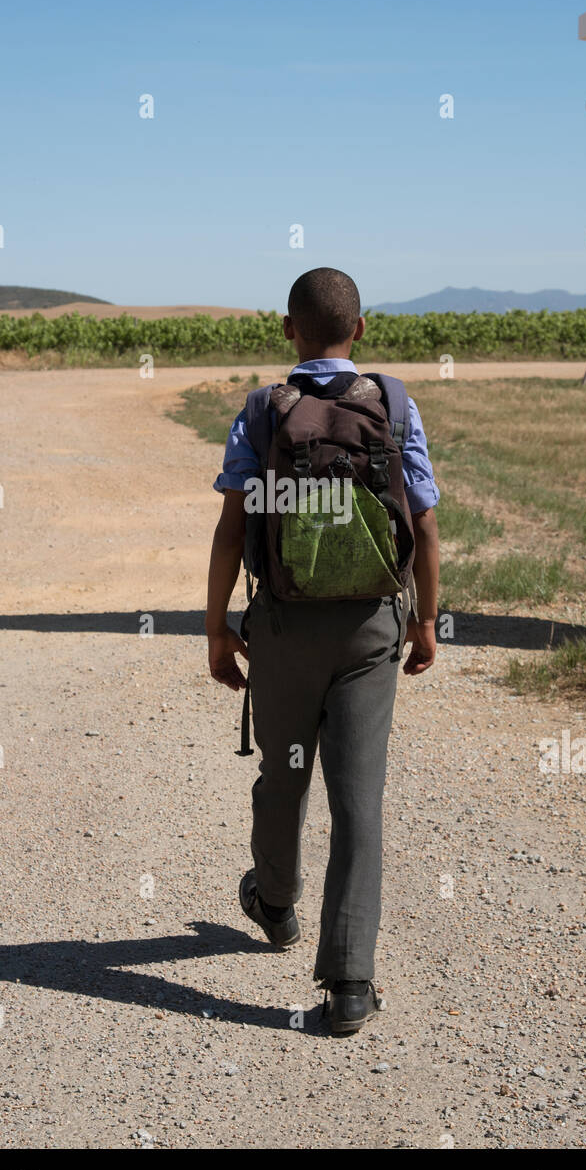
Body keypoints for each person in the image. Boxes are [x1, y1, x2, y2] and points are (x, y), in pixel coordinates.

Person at [206, 267, 439, 1034]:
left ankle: (275, 901)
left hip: (280, 626)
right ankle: (348, 983)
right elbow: (426, 525)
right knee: (357, 799)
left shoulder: (262, 412)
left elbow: (234, 528)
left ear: (287, 330)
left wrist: (216, 626)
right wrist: (426, 621)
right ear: (361, 331)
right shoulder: (395, 404)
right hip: (371, 627)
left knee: (284, 774)